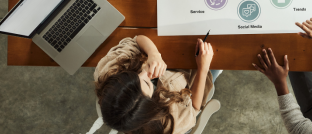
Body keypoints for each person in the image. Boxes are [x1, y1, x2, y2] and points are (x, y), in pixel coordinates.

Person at [93, 35, 221, 134]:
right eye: (147, 84)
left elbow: (135, 39)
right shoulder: (170, 124)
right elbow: (194, 108)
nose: (144, 74)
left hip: (169, 53)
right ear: (151, 104)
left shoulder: (108, 71)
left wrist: (154, 54)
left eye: (134, 77)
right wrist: (203, 68)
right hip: (193, 75)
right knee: (218, 58)